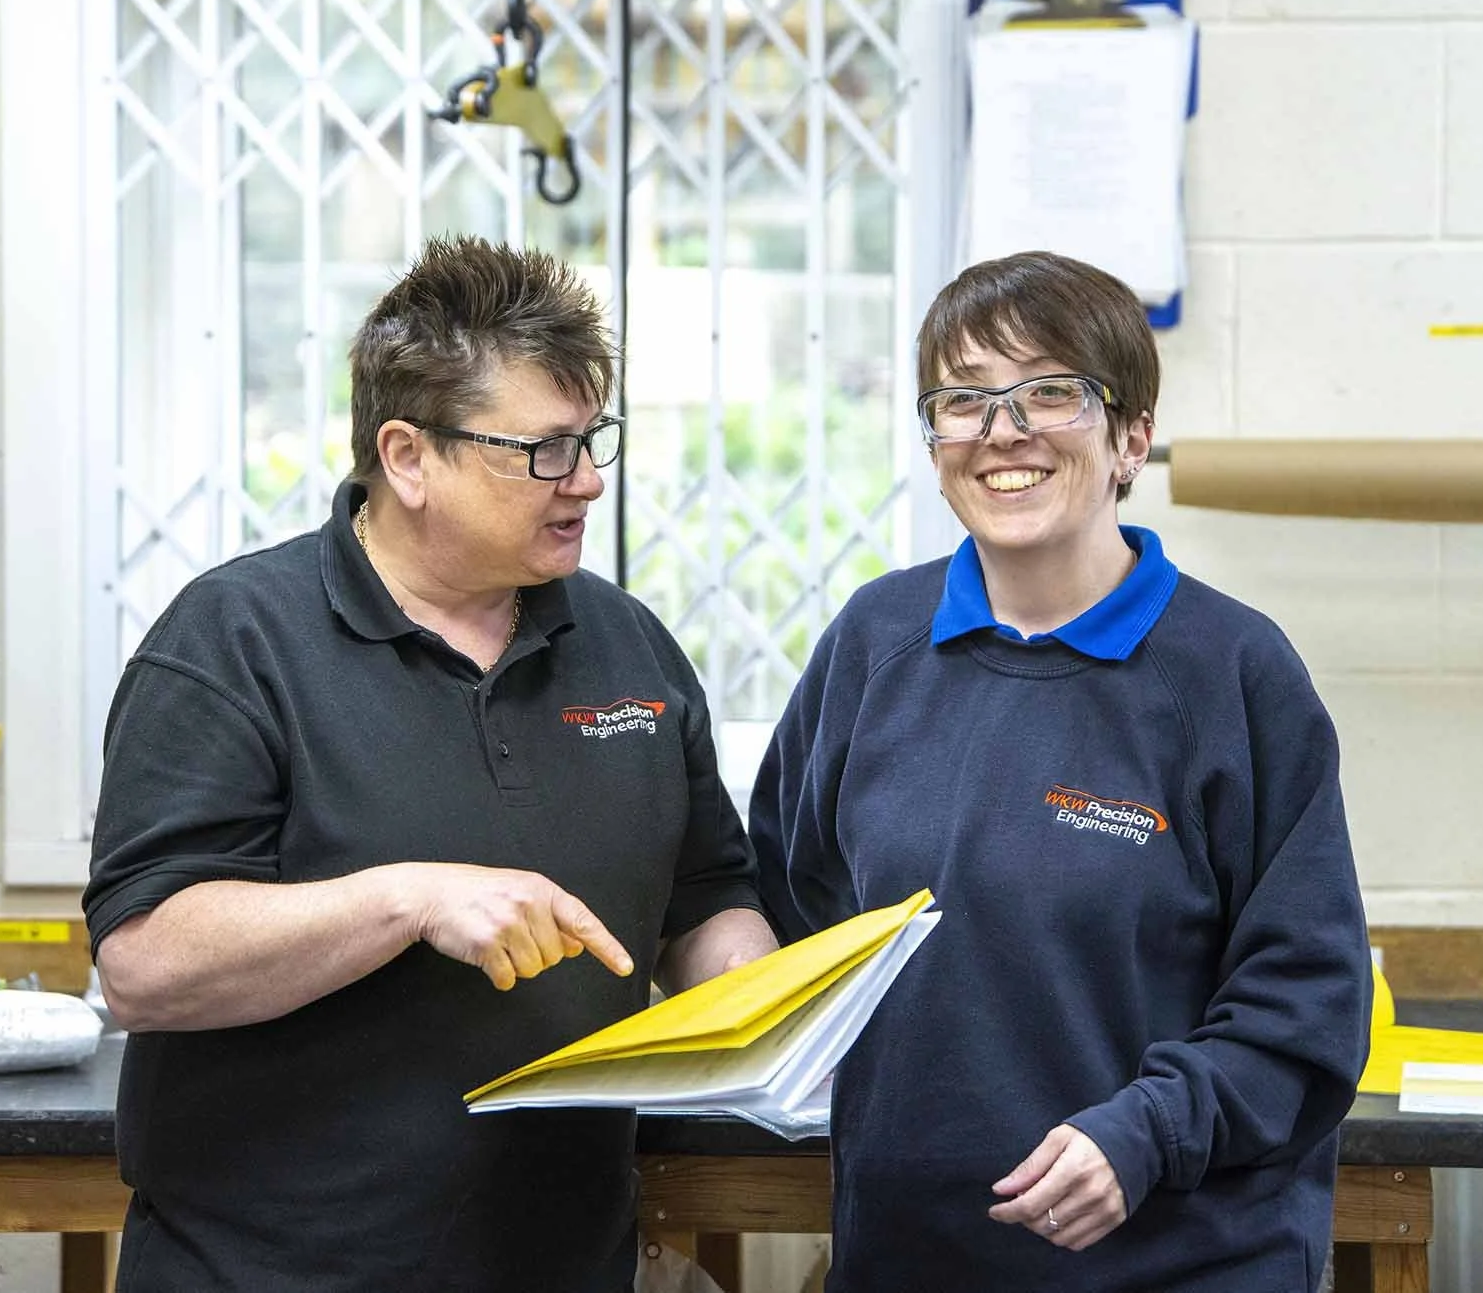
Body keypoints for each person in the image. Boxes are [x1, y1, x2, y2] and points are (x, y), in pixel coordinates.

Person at [84, 235, 777, 1293]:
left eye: (593, 441)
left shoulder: (625, 641)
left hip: (563, 1263)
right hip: (270, 1272)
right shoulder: (233, 641)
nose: (585, 481)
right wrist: (405, 900)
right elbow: (142, 963)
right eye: (542, 450)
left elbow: (703, 894)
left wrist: (750, 991)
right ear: (407, 456)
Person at [748, 251, 1372, 1290]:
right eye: (963, 400)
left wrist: (1144, 1136)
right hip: (912, 1256)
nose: (1003, 429)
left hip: (1174, 1258)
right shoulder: (874, 642)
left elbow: (1304, 1008)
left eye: (1050, 393)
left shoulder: (1230, 672)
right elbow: (789, 910)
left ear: (1130, 437)